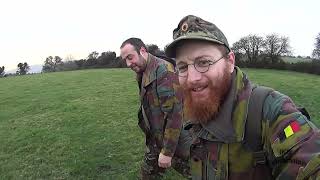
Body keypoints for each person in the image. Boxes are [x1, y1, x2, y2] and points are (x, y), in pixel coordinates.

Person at [164, 15, 320, 179]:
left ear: (230, 61)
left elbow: (310, 160)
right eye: (182, 67)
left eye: (203, 62)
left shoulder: (270, 110)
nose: (192, 78)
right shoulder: (188, 100)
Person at [120, 38, 191, 179]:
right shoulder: (142, 71)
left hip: (174, 141)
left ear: (142, 51)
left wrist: (167, 152)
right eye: (125, 60)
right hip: (156, 139)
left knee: (196, 173)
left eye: (130, 57)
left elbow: (174, 114)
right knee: (147, 175)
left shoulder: (163, 70)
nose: (128, 64)